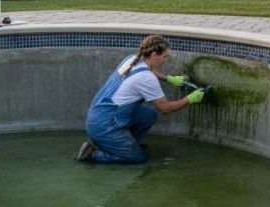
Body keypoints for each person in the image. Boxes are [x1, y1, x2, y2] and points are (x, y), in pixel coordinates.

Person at [76, 35, 204, 164]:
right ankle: (93, 154)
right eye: (165, 56)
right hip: (104, 125)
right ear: (154, 55)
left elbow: (149, 71)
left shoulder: (132, 59)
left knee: (148, 115)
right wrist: (190, 99)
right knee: (138, 158)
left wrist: (169, 79)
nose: (166, 60)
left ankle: (127, 144)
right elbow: (165, 108)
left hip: (98, 114)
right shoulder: (146, 78)